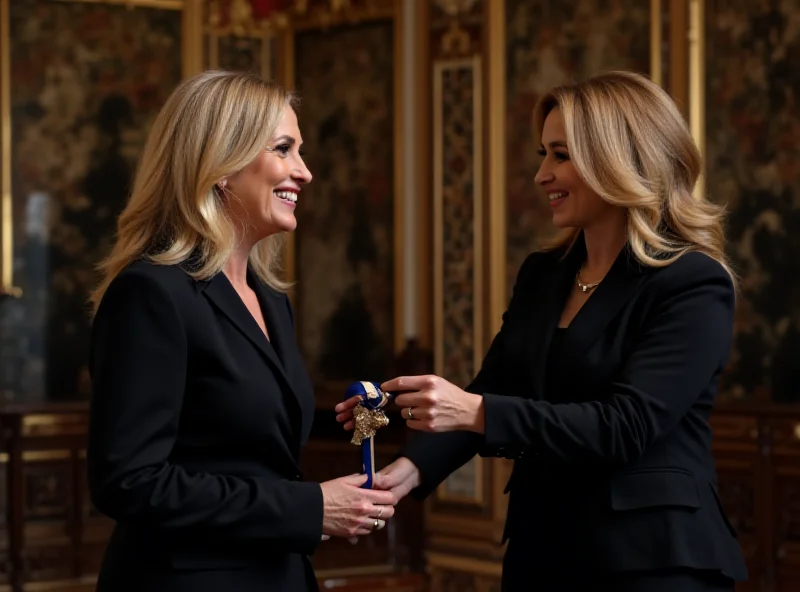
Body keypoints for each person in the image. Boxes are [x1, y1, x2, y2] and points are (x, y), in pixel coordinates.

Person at [336, 71, 748, 591]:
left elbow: (626, 426)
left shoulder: (692, 282)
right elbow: (495, 390)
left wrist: (476, 411)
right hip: (542, 552)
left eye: (561, 155)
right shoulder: (543, 276)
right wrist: (409, 471)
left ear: (619, 159)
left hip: (652, 562)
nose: (541, 176)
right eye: (543, 154)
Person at [87, 70, 397, 592]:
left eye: (300, 151)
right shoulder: (151, 293)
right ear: (222, 166)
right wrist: (311, 508)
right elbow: (129, 482)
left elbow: (251, 445)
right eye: (284, 149)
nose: (305, 172)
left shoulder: (270, 299)